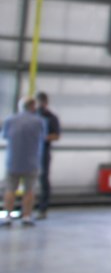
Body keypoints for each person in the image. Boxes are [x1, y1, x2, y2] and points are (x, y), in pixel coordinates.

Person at [3, 96, 47, 227]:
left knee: (10, 189)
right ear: (33, 107)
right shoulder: (39, 121)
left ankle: (8, 216)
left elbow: (5, 136)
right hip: (31, 161)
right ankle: (26, 216)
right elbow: (43, 137)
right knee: (29, 190)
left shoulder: (10, 120)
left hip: (13, 160)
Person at [35, 91, 61, 219]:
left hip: (44, 151)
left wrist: (44, 137)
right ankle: (24, 209)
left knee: (43, 179)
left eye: (42, 103)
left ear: (46, 103)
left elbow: (56, 136)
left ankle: (42, 208)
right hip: (30, 151)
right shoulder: (32, 115)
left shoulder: (51, 117)